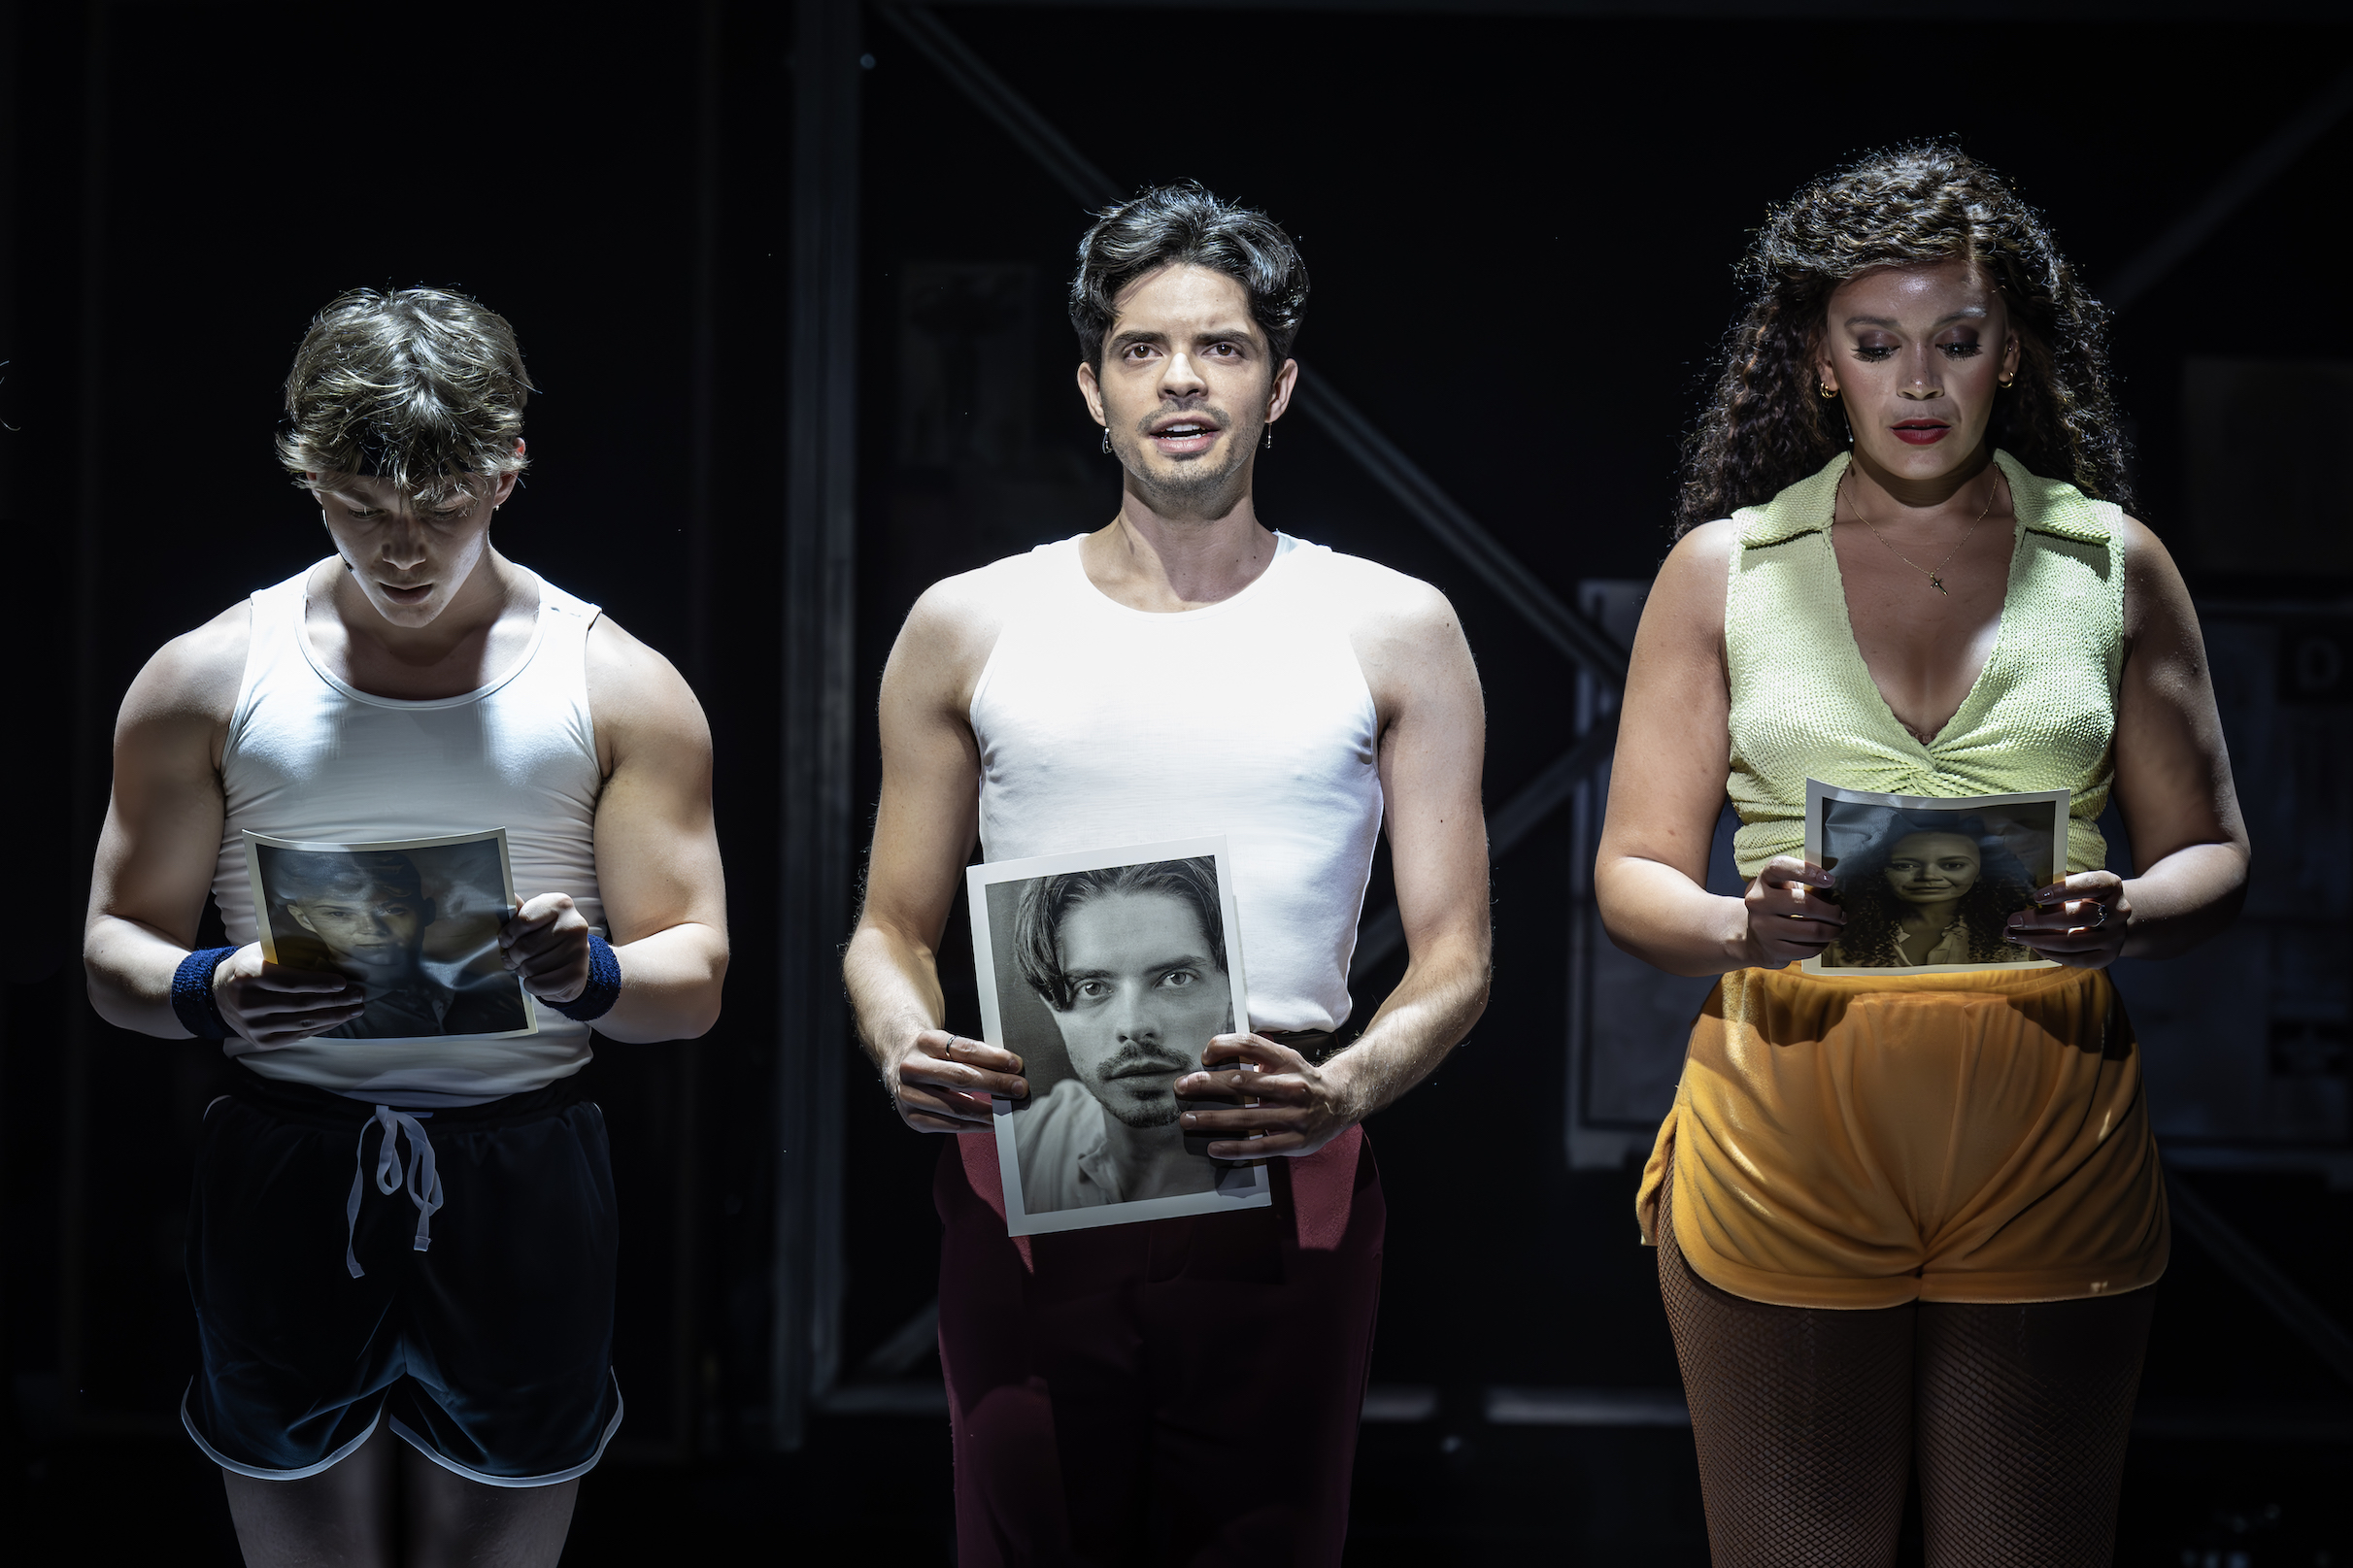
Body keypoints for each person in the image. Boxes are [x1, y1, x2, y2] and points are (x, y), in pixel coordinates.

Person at [1595, 144, 2249, 1568]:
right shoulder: (1724, 567)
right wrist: (1736, 924)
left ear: (2008, 351)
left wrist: (2126, 907)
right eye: (1873, 342)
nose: (1914, 381)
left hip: (2046, 1137)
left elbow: (2212, 851)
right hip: (1785, 1132)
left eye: (1953, 340)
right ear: (1817, 361)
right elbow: (1629, 876)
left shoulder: (2107, 563)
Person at [844, 183, 1491, 1565]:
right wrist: (901, 1034)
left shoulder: (1391, 625)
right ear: (1089, 386)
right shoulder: (968, 622)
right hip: (1026, 1156)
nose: (1180, 379)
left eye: (1222, 347)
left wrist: (1341, 1091)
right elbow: (885, 924)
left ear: (1281, 383)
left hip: (1290, 1139)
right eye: (1140, 349)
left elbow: (1455, 957)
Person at [83, 287, 728, 1568]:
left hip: (522, 1159)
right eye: (362, 506)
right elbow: (113, 950)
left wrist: (591, 970)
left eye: (440, 507)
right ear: (307, 472)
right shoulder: (206, 675)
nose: (403, 548)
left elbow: (695, 978)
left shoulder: (615, 681)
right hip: (286, 1153)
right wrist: (213, 984)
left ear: (508, 469)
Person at [1010, 857, 1235, 1210]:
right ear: (1052, 1007)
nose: (1133, 1026)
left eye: (1176, 978)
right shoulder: (1023, 1145)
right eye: (1092, 987)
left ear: (1233, 992)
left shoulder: (1296, 1145)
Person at [271, 848, 528, 1038]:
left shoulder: (482, 991)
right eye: (339, 914)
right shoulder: (296, 1008)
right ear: (303, 919)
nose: (371, 929)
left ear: (427, 911)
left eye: (393, 910)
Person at [1819, 823, 2038, 968]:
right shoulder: (1837, 935)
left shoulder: (2018, 938)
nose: (1928, 876)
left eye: (1953, 865)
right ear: (1881, 872)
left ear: (1981, 873)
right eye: (1905, 866)